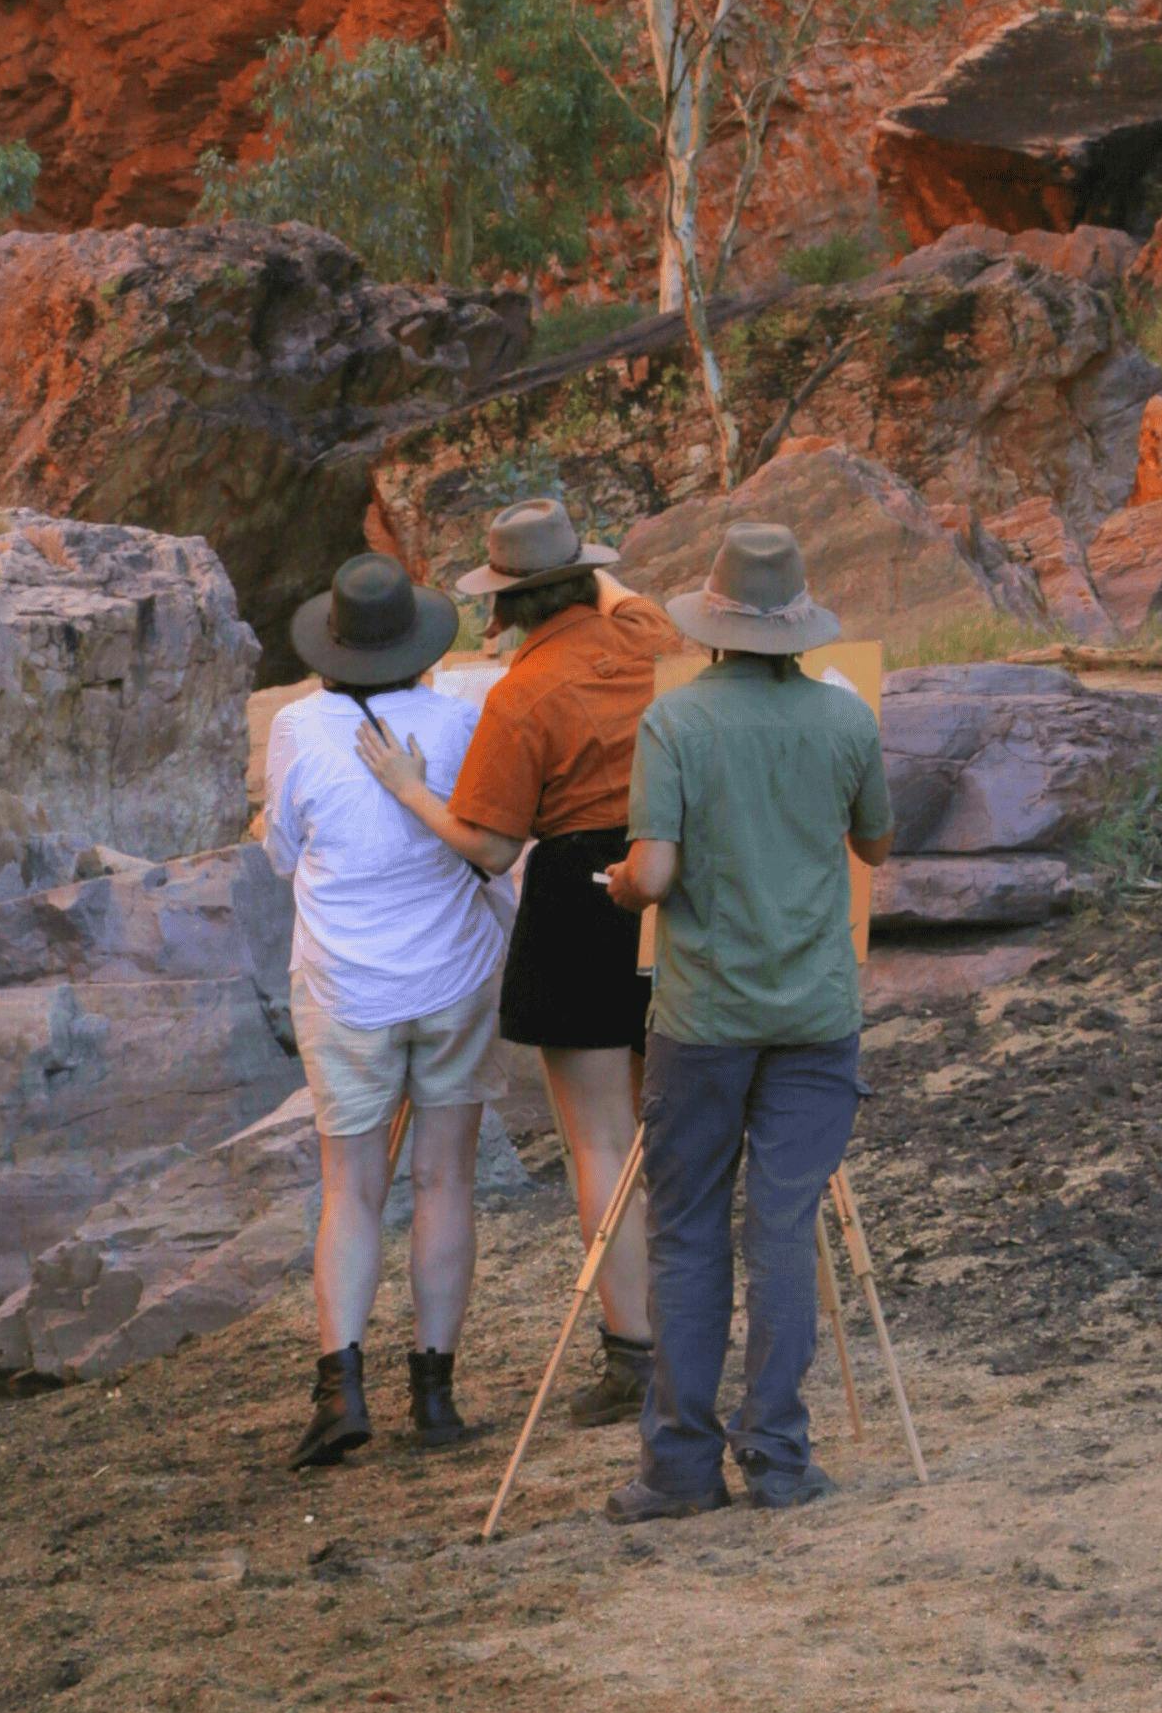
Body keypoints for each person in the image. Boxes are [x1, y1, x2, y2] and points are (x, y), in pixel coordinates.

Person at [358, 498, 678, 1429]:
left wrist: (414, 793)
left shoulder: (521, 694)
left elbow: (492, 848)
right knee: (678, 1130)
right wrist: (577, 565)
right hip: (673, 883)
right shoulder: (652, 635)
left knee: (603, 1143)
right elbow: (624, 594)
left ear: (504, 606)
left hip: (582, 900)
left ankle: (633, 1355)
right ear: (587, 578)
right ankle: (692, 1326)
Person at [601, 521, 893, 1519]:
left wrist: (613, 888)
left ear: (713, 623)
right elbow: (877, 842)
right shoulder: (844, 721)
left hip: (703, 1015)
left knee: (684, 1237)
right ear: (799, 622)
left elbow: (651, 874)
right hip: (814, 1012)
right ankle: (776, 1458)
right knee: (780, 1232)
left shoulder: (674, 723)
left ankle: (681, 1469)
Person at [261, 553, 513, 1470]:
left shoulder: (295, 727)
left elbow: (282, 856)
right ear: (418, 644)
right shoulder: (458, 717)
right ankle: (436, 1398)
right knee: (446, 1182)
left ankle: (340, 1391)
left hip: (345, 989)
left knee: (351, 1190)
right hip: (454, 977)